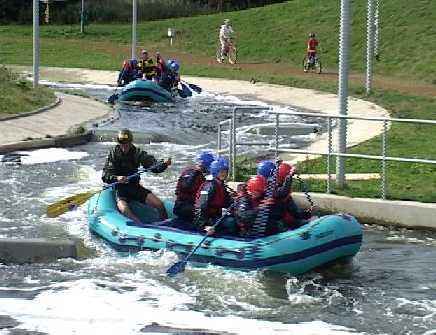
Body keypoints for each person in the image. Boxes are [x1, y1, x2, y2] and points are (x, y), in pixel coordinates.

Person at [102, 129, 172, 225]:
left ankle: (166, 225)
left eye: (126, 143)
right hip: (120, 188)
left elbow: (153, 166)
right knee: (124, 209)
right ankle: (140, 227)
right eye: (122, 143)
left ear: (131, 142)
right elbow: (106, 175)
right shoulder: (113, 154)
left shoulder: (138, 153)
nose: (124, 146)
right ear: (118, 143)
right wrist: (117, 178)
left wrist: (163, 164)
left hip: (134, 186)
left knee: (159, 204)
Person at [193, 157, 235, 235]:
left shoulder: (220, 185)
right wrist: (204, 226)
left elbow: (227, 201)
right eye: (221, 172)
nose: (224, 174)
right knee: (230, 222)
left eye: (225, 171)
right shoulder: (208, 186)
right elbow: (200, 206)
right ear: (215, 172)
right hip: (207, 219)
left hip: (215, 216)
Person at [173, 150, 215, 224]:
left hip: (188, 205)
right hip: (183, 206)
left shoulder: (202, 176)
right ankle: (200, 226)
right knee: (204, 211)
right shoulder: (192, 174)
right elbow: (186, 187)